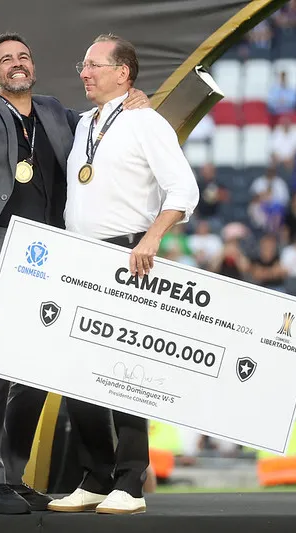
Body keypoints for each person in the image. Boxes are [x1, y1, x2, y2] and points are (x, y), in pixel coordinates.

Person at [0, 32, 150, 514]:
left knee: (39, 368)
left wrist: (135, 101)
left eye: (23, 55)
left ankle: (11, 473)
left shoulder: (54, 111)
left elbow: (99, 135)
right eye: (6, 59)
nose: (17, 63)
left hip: (52, 250)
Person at [47, 34, 198, 515]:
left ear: (123, 74)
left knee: (125, 372)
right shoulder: (86, 122)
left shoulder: (146, 121)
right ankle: (94, 476)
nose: (84, 73)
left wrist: (151, 238)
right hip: (79, 256)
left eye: (93, 65)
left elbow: (184, 189)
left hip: (126, 253)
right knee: (76, 372)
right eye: (83, 64)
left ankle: (131, 482)